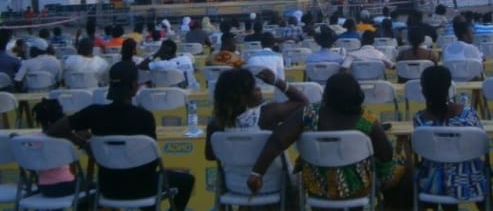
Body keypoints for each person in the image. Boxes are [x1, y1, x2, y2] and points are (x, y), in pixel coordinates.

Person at [46, 61, 194, 211]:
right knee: (186, 180)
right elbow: (151, 162)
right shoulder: (144, 117)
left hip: (108, 187)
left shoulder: (93, 113)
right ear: (134, 86)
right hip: (143, 188)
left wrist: (82, 143)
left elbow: (53, 130)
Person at [245, 72, 406, 202]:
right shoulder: (368, 120)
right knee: (400, 167)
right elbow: (386, 155)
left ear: (327, 94)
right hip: (357, 188)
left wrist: (257, 173)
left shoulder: (308, 114)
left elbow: (278, 140)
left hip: (316, 186)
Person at [204, 67, 307, 193]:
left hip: (236, 185)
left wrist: (239, 152)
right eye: (254, 87)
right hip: (274, 183)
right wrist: (276, 81)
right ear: (245, 96)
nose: (259, 89)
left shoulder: (215, 124)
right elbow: (303, 103)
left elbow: (210, 156)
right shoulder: (268, 114)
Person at [414, 65, 489, 207]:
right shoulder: (467, 114)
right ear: (449, 86)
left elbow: (424, 154)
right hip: (471, 181)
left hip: (433, 184)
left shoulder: (419, 119)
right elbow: (479, 147)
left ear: (423, 89)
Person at [32, 98, 81, 198]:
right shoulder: (65, 140)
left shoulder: (34, 140)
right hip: (66, 185)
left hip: (44, 187)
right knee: (95, 187)